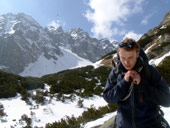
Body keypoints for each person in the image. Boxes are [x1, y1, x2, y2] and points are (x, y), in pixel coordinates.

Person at [103, 38, 170, 128]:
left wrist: (142, 84)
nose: (126, 62)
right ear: (119, 55)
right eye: (123, 58)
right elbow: (108, 97)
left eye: (130, 57)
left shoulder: (149, 71)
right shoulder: (116, 73)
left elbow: (167, 100)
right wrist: (124, 82)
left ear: (137, 54)